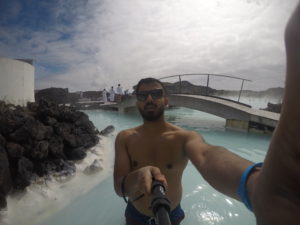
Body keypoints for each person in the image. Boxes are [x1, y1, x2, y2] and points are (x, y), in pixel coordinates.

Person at [114, 3, 300, 225]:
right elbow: (119, 186)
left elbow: (207, 156)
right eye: (143, 96)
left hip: (171, 214)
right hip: (136, 214)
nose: (150, 99)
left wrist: (254, 185)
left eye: (156, 93)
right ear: (137, 102)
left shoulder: (185, 138)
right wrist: (136, 178)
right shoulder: (124, 138)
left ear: (166, 99)